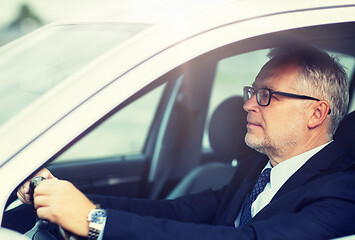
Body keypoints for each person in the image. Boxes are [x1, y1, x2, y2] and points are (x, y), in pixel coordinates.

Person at [17, 44, 355, 240]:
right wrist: (61, 196)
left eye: (266, 95)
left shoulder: (343, 192)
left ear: (316, 113)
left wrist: (95, 223)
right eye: (252, 91)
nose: (248, 104)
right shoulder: (259, 169)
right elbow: (178, 211)